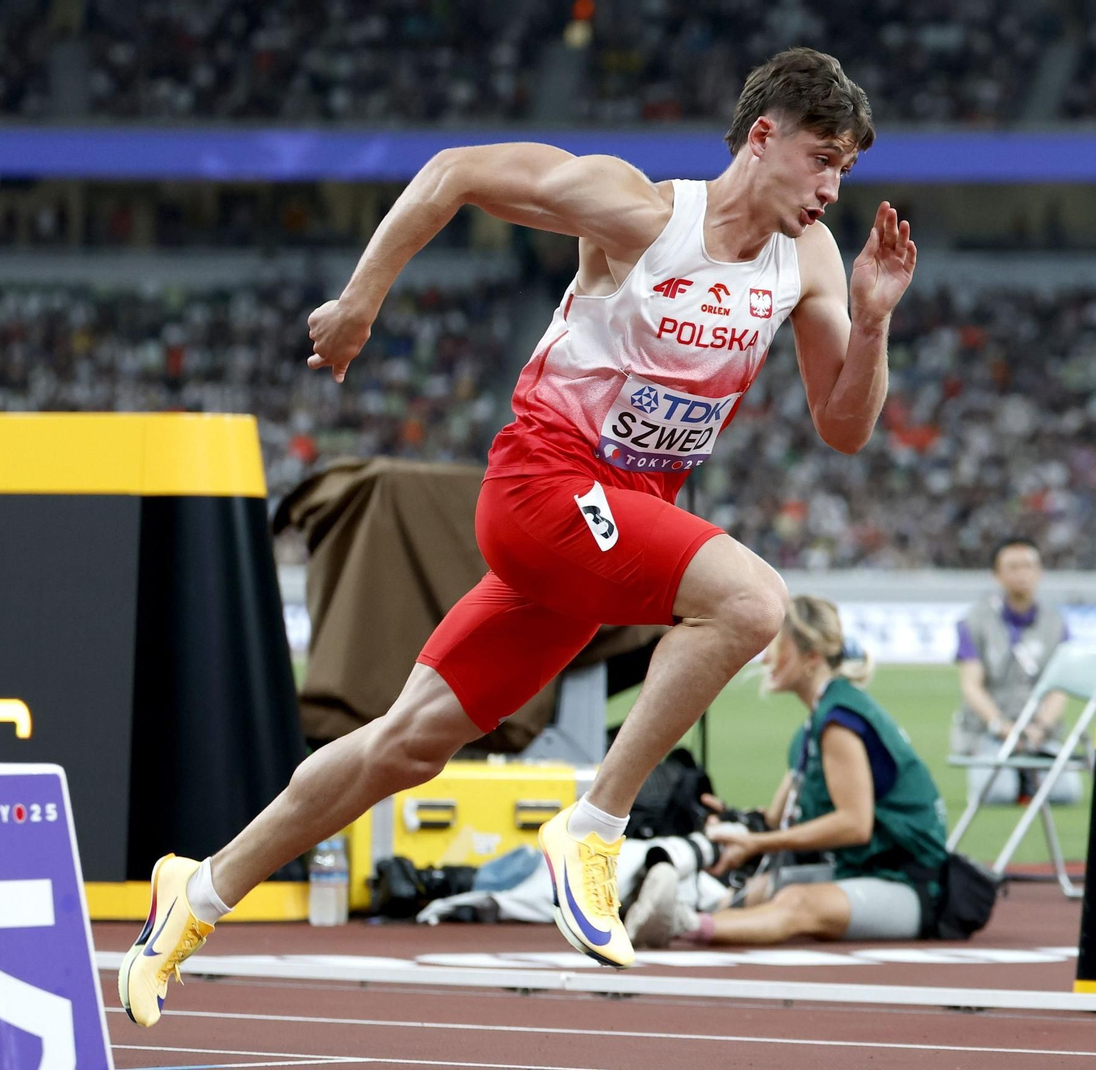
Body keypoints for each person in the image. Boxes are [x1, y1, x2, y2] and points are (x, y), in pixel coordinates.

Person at [119, 46, 918, 1026]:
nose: (832, 188)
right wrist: (359, 302)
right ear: (764, 136)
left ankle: (193, 893)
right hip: (543, 483)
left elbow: (842, 428)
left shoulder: (812, 259)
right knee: (752, 600)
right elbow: (452, 172)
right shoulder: (635, 211)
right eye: (823, 158)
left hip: (611, 526)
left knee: (404, 744)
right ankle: (593, 824)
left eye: (846, 169)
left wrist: (873, 325)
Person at [623, 594, 948, 948]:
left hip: (911, 883)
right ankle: (675, 910)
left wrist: (757, 842)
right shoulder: (816, 726)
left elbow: (854, 823)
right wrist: (733, 822)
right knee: (766, 888)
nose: (765, 658)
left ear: (811, 657)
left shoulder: (840, 723)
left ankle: (680, 923)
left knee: (797, 901)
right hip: (867, 868)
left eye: (777, 647)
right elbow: (777, 820)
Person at [952, 537, 1073, 806]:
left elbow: (1060, 686)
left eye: (1028, 566)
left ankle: (1026, 773)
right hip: (989, 733)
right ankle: (1014, 779)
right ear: (996, 575)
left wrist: (1040, 727)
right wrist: (1000, 726)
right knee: (997, 794)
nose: (1022, 574)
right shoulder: (974, 621)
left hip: (1038, 735)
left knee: (1066, 794)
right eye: (1012, 567)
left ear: (1039, 572)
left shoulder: (1056, 623)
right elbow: (971, 684)